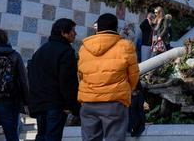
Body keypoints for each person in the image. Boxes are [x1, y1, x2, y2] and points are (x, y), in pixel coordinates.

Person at [78, 13, 139, 141]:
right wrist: (127, 90)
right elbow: (133, 75)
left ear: (98, 28)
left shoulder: (84, 48)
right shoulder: (126, 45)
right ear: (116, 28)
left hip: (89, 101)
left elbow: (81, 74)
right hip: (114, 101)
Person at [28, 18, 80, 141]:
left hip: (39, 103)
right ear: (63, 32)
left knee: (41, 136)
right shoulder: (66, 51)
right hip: (56, 104)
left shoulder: (40, 51)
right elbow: (68, 81)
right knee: (52, 137)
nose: (75, 33)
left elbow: (31, 76)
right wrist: (73, 106)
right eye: (72, 30)